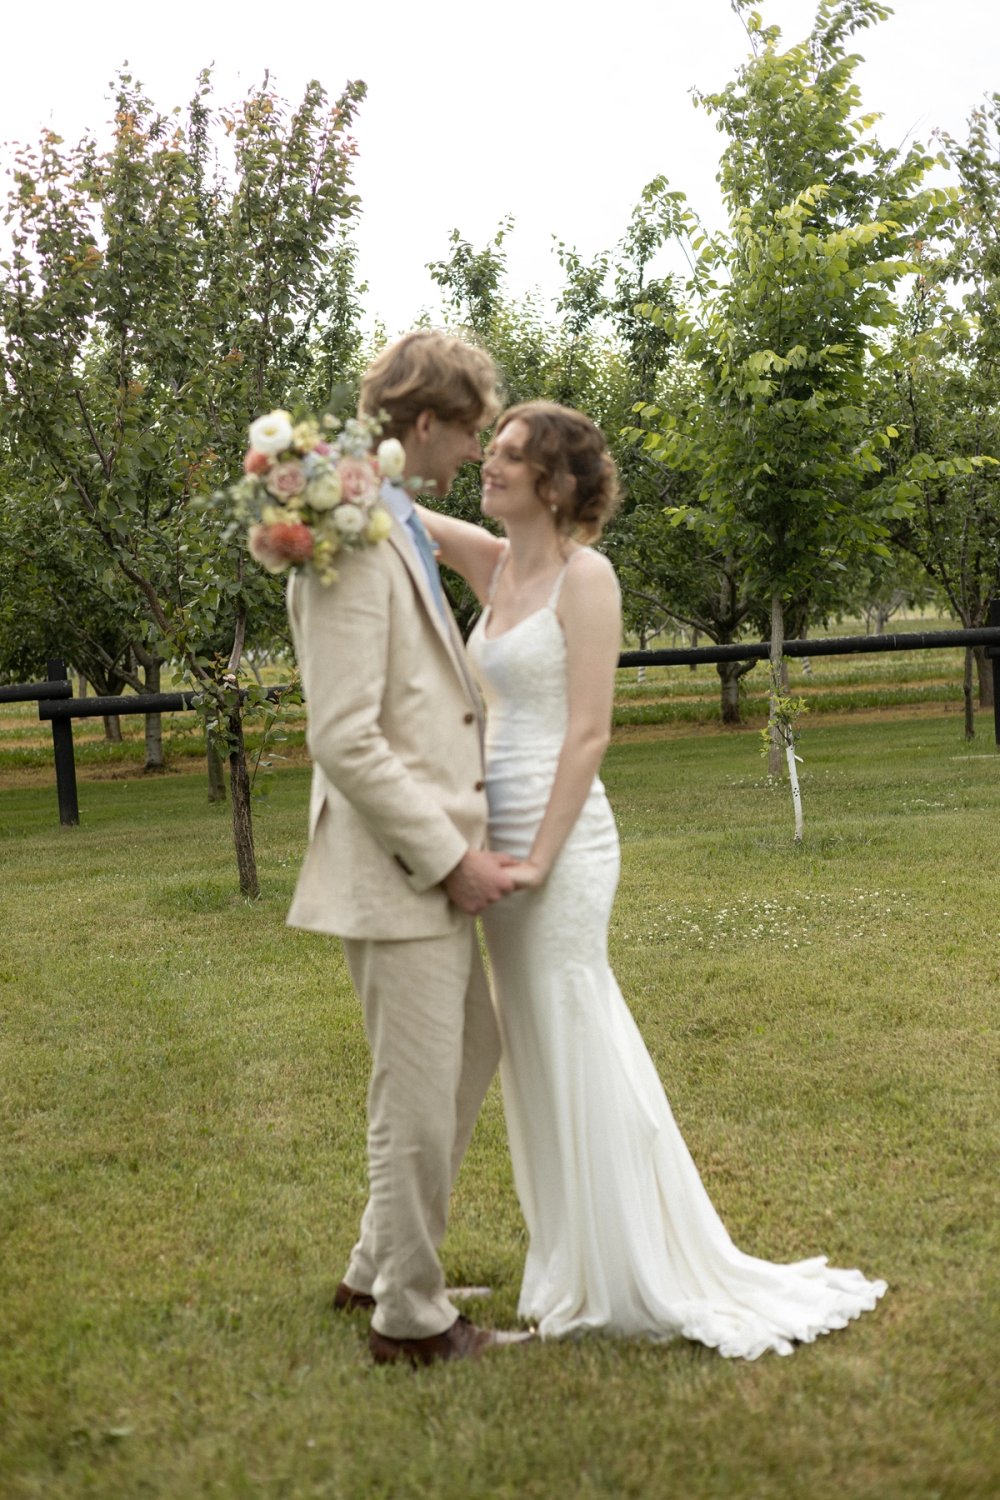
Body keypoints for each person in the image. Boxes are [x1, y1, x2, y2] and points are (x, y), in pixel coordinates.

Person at [418, 399, 887, 1357]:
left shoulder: (587, 579)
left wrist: (541, 858)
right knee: (532, 1049)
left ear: (554, 484)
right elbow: (393, 507)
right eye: (490, 453)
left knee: (572, 1028)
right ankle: (568, 1254)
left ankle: (627, 1270)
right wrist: (308, 470)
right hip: (492, 838)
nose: (488, 469)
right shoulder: (496, 564)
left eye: (508, 458)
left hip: (562, 845)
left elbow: (589, 732)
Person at [285, 331, 534, 1366]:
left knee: (458, 1052)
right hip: (400, 864)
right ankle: (413, 1320)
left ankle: (378, 1264)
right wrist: (448, 856)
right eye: (471, 427)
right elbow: (342, 734)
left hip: (421, 855)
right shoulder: (344, 535)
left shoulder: (384, 516)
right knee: (419, 1087)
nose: (476, 448)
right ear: (424, 422)